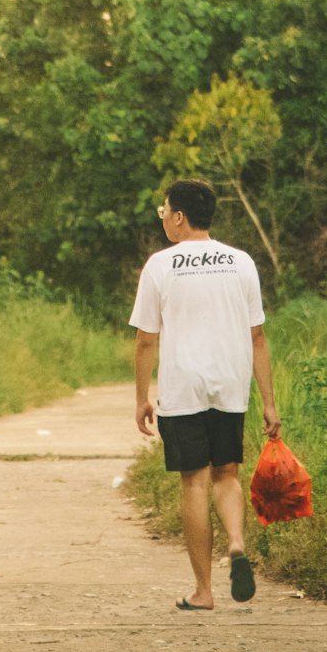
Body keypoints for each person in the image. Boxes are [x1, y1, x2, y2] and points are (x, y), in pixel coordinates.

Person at [130, 177, 280, 611]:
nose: (164, 220)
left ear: (178, 217)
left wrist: (142, 397)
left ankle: (204, 591)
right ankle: (236, 543)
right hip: (230, 384)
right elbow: (257, 338)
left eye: (164, 212)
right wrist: (269, 402)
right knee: (227, 474)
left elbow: (145, 341)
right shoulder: (241, 262)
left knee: (193, 480)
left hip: (183, 386)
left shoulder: (160, 266)